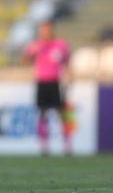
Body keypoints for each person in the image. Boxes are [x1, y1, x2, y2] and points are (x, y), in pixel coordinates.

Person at [22, 21, 74, 155]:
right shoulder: (35, 45)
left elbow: (67, 61)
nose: (44, 33)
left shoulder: (60, 45)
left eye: (47, 30)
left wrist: (70, 77)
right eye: (42, 30)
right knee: (42, 114)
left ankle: (67, 146)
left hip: (56, 82)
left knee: (61, 114)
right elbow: (25, 60)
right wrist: (31, 54)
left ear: (52, 31)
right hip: (41, 82)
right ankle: (44, 147)